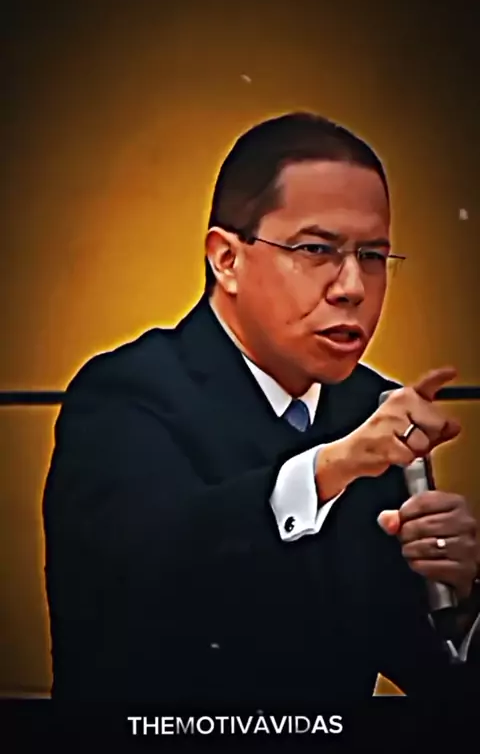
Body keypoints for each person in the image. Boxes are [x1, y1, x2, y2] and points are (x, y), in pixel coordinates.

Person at [43, 112, 480, 708]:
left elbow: (439, 679)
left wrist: (461, 590)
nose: (352, 286)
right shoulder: (123, 394)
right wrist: (327, 470)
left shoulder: (374, 410)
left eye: (374, 256)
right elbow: (149, 581)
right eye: (317, 249)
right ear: (226, 259)